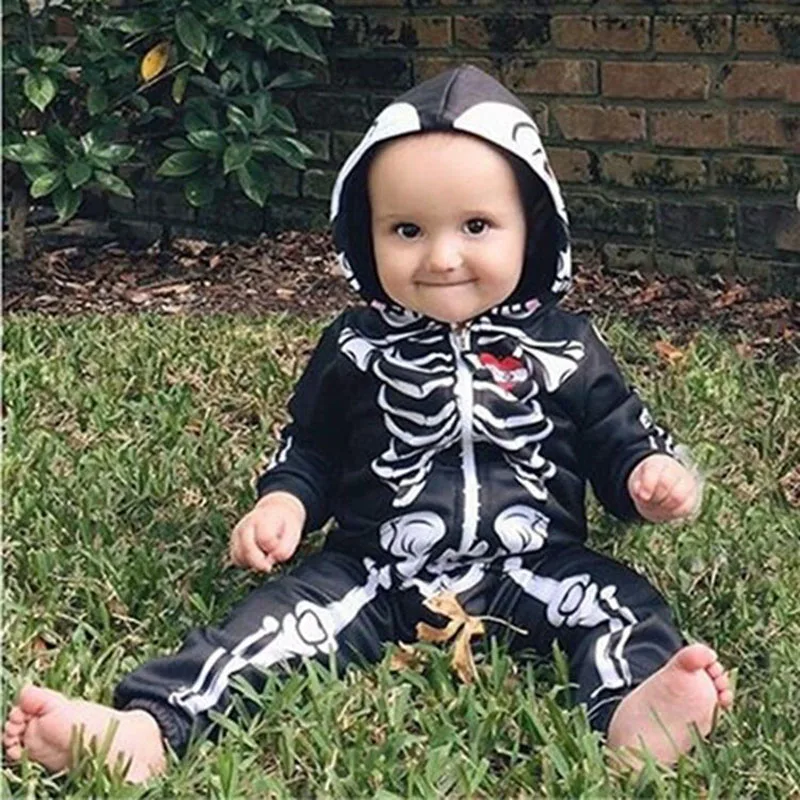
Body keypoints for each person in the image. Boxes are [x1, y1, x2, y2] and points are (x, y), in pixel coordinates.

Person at [3, 64, 732, 784]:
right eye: (407, 229)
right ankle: (149, 727)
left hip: (536, 563)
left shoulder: (567, 346)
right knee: (264, 625)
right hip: (374, 567)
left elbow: (619, 437)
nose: (442, 257)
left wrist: (648, 477)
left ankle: (632, 714)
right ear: (364, 232)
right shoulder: (355, 346)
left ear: (533, 228)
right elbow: (311, 448)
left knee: (627, 605)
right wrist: (284, 502)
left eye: (477, 226)